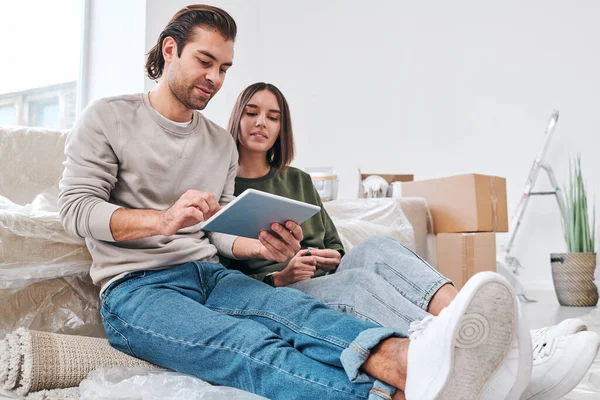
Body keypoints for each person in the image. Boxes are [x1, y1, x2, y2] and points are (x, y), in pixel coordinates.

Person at [58, 4, 530, 399]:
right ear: (169, 50)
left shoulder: (219, 146)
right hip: (138, 289)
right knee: (247, 343)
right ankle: (384, 394)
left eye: (224, 68)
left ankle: (413, 362)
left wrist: (259, 246)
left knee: (302, 315)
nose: (215, 78)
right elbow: (76, 210)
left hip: (209, 272)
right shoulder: (107, 117)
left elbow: (218, 228)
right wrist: (162, 220)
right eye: (205, 62)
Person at [227, 81, 600, 400]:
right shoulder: (222, 185)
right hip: (279, 294)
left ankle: (492, 336)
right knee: (357, 283)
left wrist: (326, 257)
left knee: (376, 247)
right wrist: (280, 276)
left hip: (322, 274)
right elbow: (220, 278)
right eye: (252, 112)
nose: (262, 122)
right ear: (237, 118)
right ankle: (485, 352)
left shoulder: (299, 181)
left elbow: (337, 248)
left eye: (273, 116)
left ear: (282, 128)